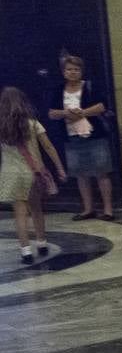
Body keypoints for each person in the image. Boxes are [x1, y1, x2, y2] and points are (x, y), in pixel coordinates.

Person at [0, 87, 66, 264]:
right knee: (36, 209)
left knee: (20, 214)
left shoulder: (1, 126)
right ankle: (42, 243)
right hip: (33, 172)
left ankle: (26, 251)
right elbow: (48, 147)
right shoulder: (33, 123)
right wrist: (59, 167)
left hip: (11, 174)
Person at [47, 55, 115, 220]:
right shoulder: (58, 90)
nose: (72, 72)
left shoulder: (90, 87)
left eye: (76, 69)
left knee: (101, 172)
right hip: (72, 137)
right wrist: (66, 113)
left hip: (94, 135)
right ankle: (88, 208)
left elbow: (101, 106)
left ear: (81, 71)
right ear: (63, 72)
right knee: (80, 174)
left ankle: (108, 209)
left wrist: (82, 113)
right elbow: (51, 113)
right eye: (69, 69)